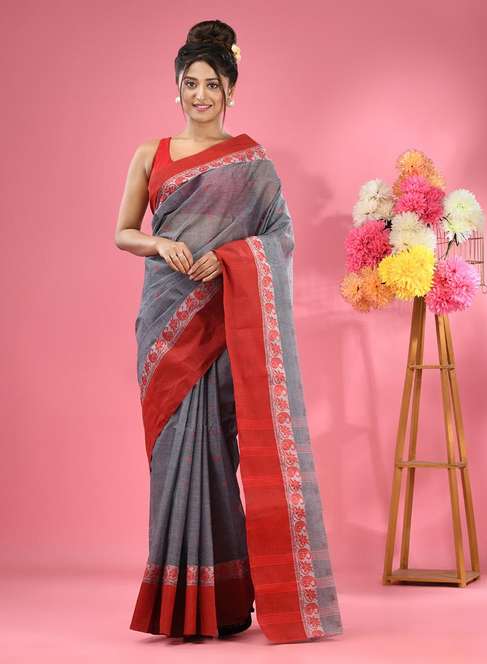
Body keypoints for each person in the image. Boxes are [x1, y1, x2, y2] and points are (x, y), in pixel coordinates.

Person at [115, 19, 343, 644]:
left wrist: (230, 258)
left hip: (221, 325)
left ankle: (224, 603)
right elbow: (123, 232)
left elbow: (281, 236)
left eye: (212, 84)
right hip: (164, 322)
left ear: (230, 91)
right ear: (177, 87)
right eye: (190, 83)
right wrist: (160, 244)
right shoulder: (150, 153)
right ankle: (175, 605)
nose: (200, 95)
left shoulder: (253, 162)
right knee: (171, 459)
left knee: (217, 455)